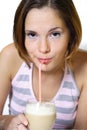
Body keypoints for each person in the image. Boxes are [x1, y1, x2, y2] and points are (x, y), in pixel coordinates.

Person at [0, 0, 87, 129]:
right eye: (32, 34)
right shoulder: (11, 57)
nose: (43, 48)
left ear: (71, 34)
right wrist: (8, 122)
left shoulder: (84, 66)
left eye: (55, 34)